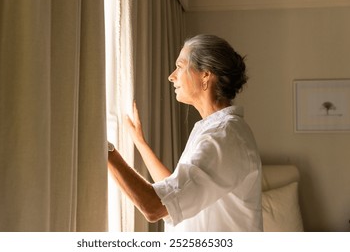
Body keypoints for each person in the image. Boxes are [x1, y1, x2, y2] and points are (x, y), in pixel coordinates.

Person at [107, 34, 263, 232]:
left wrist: (106, 151)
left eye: (180, 66)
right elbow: (174, 190)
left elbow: (154, 207)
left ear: (205, 75)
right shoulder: (215, 130)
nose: (171, 76)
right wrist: (140, 142)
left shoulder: (223, 137)